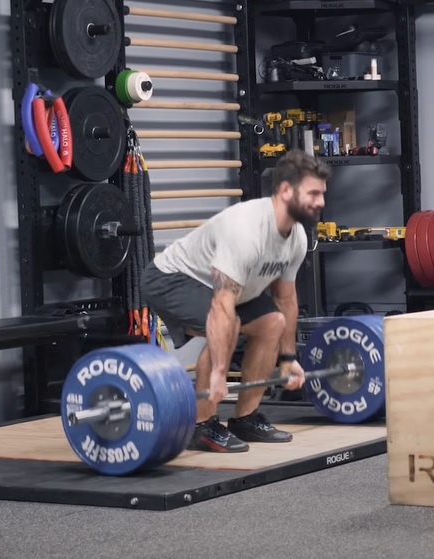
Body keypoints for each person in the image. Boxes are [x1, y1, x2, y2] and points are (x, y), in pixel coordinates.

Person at [141, 150, 330, 453]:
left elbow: (285, 298)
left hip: (230, 291)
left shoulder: (296, 238)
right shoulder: (246, 229)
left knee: (272, 323)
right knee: (229, 325)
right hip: (171, 278)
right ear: (285, 191)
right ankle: (202, 426)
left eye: (322, 194)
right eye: (313, 193)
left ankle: (245, 418)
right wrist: (218, 372)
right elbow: (221, 308)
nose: (320, 202)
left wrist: (288, 358)